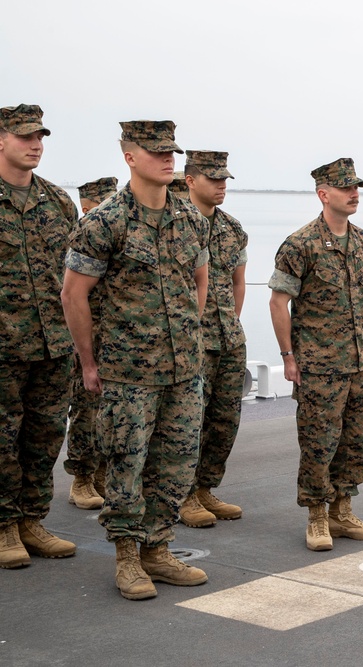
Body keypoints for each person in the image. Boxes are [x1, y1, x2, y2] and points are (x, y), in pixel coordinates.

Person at [61, 120, 211, 600]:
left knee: (178, 462)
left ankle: (158, 550)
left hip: (184, 371)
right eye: (156, 152)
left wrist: (188, 337)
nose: (169, 159)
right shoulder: (104, 221)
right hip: (128, 373)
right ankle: (128, 559)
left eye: (172, 152)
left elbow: (201, 281)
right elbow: (73, 295)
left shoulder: (191, 220)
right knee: (127, 464)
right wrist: (89, 362)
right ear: (129, 157)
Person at [268, 158, 363, 552]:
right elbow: (278, 302)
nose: (354, 194)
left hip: (360, 362)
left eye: (357, 188)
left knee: (357, 442)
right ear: (323, 194)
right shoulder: (300, 245)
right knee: (319, 443)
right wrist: (288, 356)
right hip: (320, 366)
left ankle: (343, 511)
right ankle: (317, 515)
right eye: (346, 187)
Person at [0, 104, 79, 569]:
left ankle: (31, 519)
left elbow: (77, 276)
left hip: (54, 344)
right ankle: (4, 525)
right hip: (4, 347)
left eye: (40, 138)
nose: (35, 145)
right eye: (26, 137)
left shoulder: (57, 202)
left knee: (45, 434)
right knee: (2, 439)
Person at [178, 150, 248, 528]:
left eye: (224, 179)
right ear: (190, 180)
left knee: (224, 421)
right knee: (187, 422)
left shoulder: (232, 228)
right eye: (213, 178)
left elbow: (239, 281)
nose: (221, 185)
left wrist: (231, 323)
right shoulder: (177, 224)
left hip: (228, 339)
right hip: (190, 342)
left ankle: (205, 487)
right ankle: (183, 494)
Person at [64, 176, 118, 510]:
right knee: (85, 411)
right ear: (86, 208)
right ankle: (81, 479)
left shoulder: (115, 238)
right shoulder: (75, 243)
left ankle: (100, 474)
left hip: (114, 338)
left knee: (109, 414)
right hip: (83, 338)